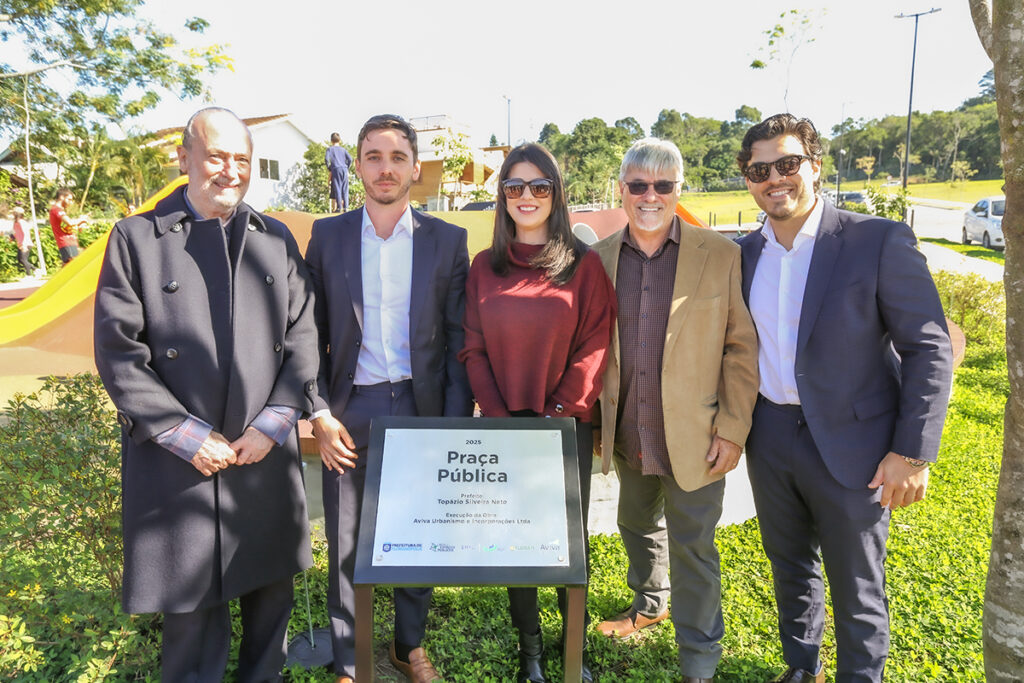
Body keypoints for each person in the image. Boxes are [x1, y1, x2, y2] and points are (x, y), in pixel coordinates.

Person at [93, 107, 319, 682]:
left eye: (241, 159)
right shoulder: (136, 239)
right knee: (192, 623)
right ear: (184, 158)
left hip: (260, 455)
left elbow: (304, 334)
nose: (230, 170)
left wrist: (272, 425)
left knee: (271, 608)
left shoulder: (275, 239)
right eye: (216, 156)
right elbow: (119, 353)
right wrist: (185, 435)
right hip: (179, 465)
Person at [736, 113, 953, 683]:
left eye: (787, 163)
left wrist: (912, 451)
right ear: (748, 178)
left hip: (857, 443)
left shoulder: (874, 239)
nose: (774, 178)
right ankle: (800, 667)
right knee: (790, 567)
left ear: (814, 164)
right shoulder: (742, 254)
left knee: (856, 582)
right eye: (760, 169)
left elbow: (929, 348)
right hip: (771, 435)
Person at [305, 114, 473, 683]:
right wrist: (319, 411)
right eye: (373, 156)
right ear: (357, 165)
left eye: (397, 156)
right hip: (352, 409)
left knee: (415, 535)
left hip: (421, 409)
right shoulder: (327, 237)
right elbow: (307, 332)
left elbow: (458, 339)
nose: (385, 167)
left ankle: (408, 647)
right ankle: (349, 659)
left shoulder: (447, 241)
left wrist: (452, 423)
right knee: (346, 539)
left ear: (414, 167)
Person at [592, 137, 759, 683]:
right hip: (627, 431)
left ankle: (700, 660)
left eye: (663, 186)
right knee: (635, 523)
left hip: (696, 435)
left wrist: (732, 429)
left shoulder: (721, 254)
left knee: (694, 549)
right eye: (638, 185)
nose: (650, 196)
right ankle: (649, 602)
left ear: (677, 190)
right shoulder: (598, 259)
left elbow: (740, 348)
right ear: (621, 190)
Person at [458, 143, 616, 683]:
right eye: (514, 187)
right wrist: (502, 420)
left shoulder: (583, 264)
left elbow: (596, 342)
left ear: (556, 194)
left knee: (569, 543)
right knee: (516, 544)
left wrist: (559, 414)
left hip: (564, 426)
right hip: (505, 427)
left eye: (539, 186)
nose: (526, 197)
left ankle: (574, 645)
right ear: (502, 196)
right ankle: (530, 652)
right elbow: (472, 347)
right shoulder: (485, 267)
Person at [49, 187, 87, 263]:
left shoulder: (60, 210)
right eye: (69, 199)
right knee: (73, 266)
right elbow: (69, 222)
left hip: (70, 242)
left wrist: (79, 224)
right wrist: (82, 219)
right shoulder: (56, 210)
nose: (70, 202)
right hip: (65, 243)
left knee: (71, 267)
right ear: (62, 197)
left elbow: (67, 226)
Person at [326, 132, 354, 213]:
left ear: (331, 141)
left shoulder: (330, 149)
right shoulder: (343, 149)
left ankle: (339, 208)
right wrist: (347, 167)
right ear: (340, 140)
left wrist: (329, 168)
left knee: (337, 188)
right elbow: (350, 159)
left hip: (335, 169)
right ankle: (346, 207)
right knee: (345, 188)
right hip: (344, 169)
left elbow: (326, 159)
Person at [11, 207, 33, 277]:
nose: (12, 214)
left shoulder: (22, 222)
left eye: (13, 213)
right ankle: (35, 270)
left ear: (17, 214)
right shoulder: (16, 223)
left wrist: (24, 244)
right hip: (21, 244)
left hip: (25, 243)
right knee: (20, 259)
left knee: (23, 259)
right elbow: (17, 233)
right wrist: (12, 238)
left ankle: (29, 275)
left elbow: (25, 233)